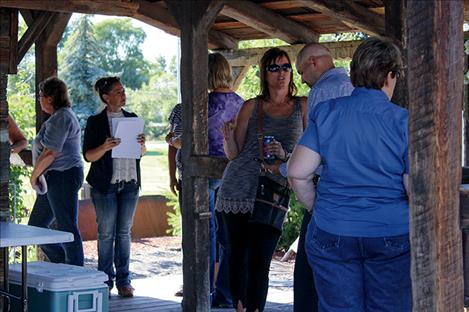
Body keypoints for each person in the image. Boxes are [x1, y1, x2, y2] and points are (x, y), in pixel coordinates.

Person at [288, 37, 410, 312]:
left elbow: (297, 173)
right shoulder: (403, 121)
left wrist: (317, 208)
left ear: (354, 72)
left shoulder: (327, 112)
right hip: (390, 233)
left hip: (333, 230)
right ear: (390, 75)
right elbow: (412, 185)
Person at [216, 48, 307, 312]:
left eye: (286, 67)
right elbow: (235, 154)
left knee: (260, 259)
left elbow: (311, 149)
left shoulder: (302, 105)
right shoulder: (251, 106)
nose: (281, 74)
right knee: (237, 256)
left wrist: (285, 153)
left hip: (274, 191)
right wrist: (227, 136)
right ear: (264, 74)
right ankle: (242, 307)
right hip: (238, 188)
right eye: (274, 68)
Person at [291, 43, 354, 312]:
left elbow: (315, 154)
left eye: (300, 71)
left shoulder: (322, 91)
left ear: (314, 63)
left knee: (308, 272)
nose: (302, 80)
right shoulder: (353, 87)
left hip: (327, 192)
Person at [83, 76, 146, 298]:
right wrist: (105, 146)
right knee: (106, 233)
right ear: (106, 96)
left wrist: (142, 146)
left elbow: (140, 154)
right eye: (118, 91)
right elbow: (89, 156)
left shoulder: (132, 119)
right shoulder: (95, 122)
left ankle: (124, 280)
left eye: (123, 90)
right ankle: (104, 280)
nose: (123, 94)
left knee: (124, 233)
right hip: (104, 185)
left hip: (129, 183)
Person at [28, 77, 84, 266]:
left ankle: (76, 272)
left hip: (64, 176)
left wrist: (34, 175)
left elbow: (51, 152)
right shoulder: (57, 117)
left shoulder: (62, 118)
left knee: (67, 225)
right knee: (36, 226)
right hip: (53, 178)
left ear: (50, 98)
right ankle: (62, 263)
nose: (39, 100)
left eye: (41, 96)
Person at [207, 52, 244, 308]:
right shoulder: (242, 103)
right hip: (233, 173)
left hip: (206, 173)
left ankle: (202, 286)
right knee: (229, 236)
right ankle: (226, 292)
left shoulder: (203, 104)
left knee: (205, 234)